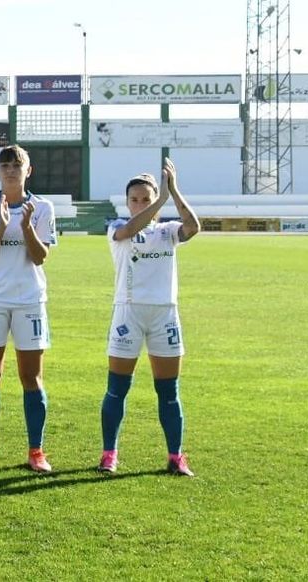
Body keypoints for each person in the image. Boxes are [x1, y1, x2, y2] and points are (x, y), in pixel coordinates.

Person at [99, 158, 201, 477]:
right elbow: (131, 228)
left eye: (147, 198)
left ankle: (175, 456)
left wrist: (174, 191)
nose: (140, 203)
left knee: (168, 392)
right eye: (135, 199)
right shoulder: (117, 228)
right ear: (127, 202)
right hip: (128, 313)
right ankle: (109, 454)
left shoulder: (168, 232)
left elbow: (193, 227)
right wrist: (159, 200)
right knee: (117, 388)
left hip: (164, 315)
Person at [0, 145, 57, 473]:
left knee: (30, 376)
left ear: (28, 171)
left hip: (30, 301)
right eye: (4, 165)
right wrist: (2, 227)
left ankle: (36, 451)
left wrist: (27, 226)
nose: (10, 170)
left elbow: (40, 256)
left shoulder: (42, 207)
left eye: (16, 165)